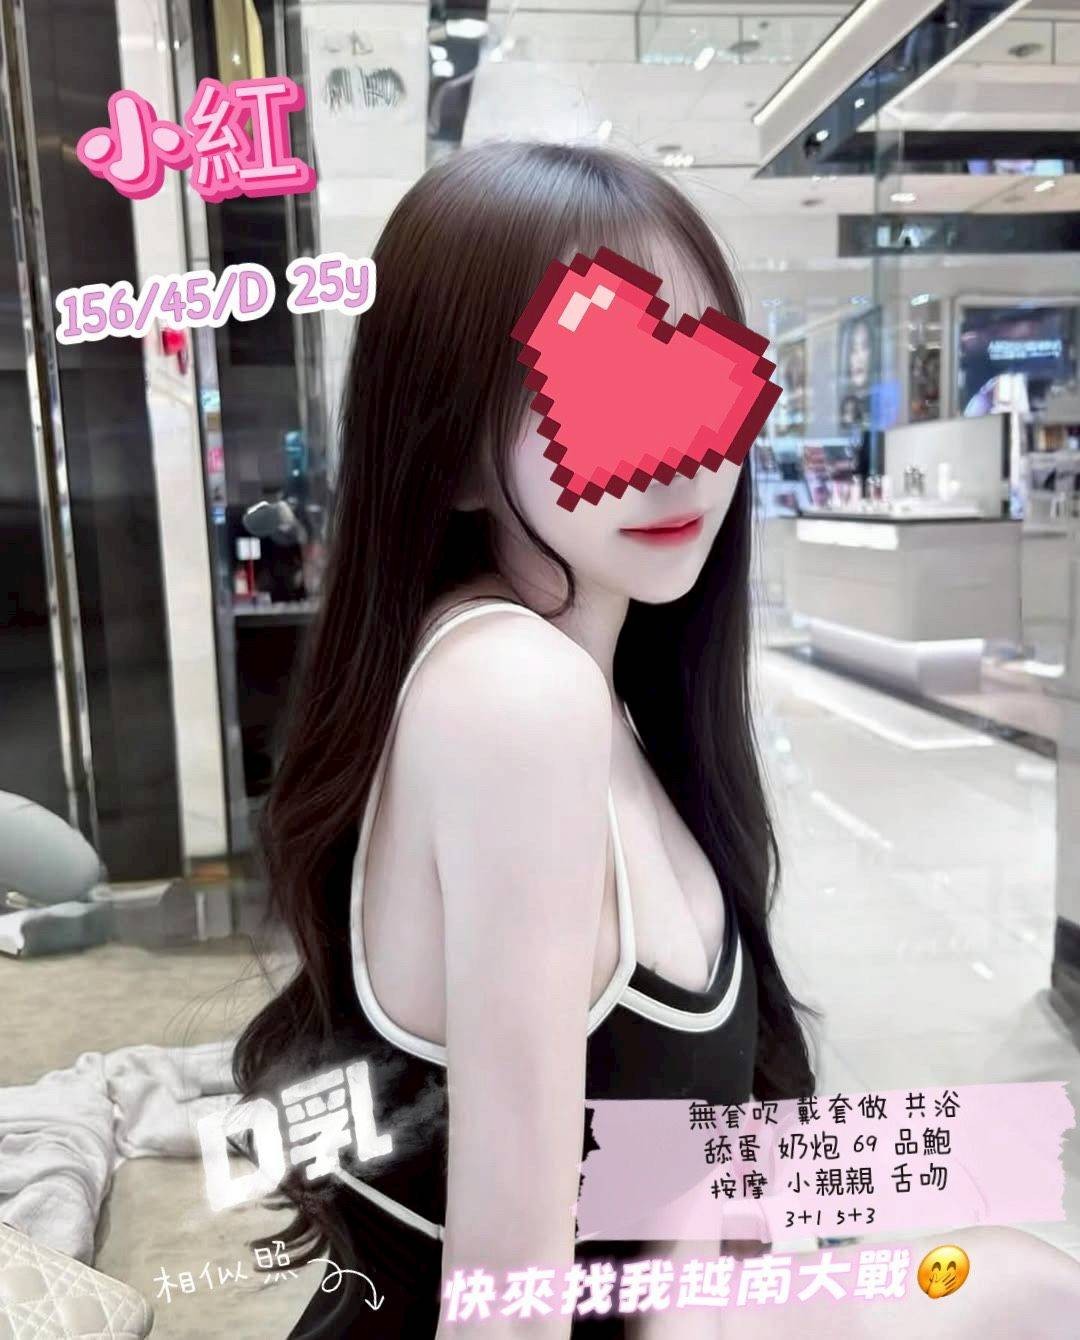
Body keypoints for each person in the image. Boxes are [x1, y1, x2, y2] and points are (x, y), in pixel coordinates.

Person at [233, 141, 1080, 1339]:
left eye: (705, 380)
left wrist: (733, 1223)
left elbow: (637, 1153)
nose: (682, 449)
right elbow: (505, 1309)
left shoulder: (586, 679)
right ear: (455, 450)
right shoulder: (516, 692)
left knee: (1026, 1273)